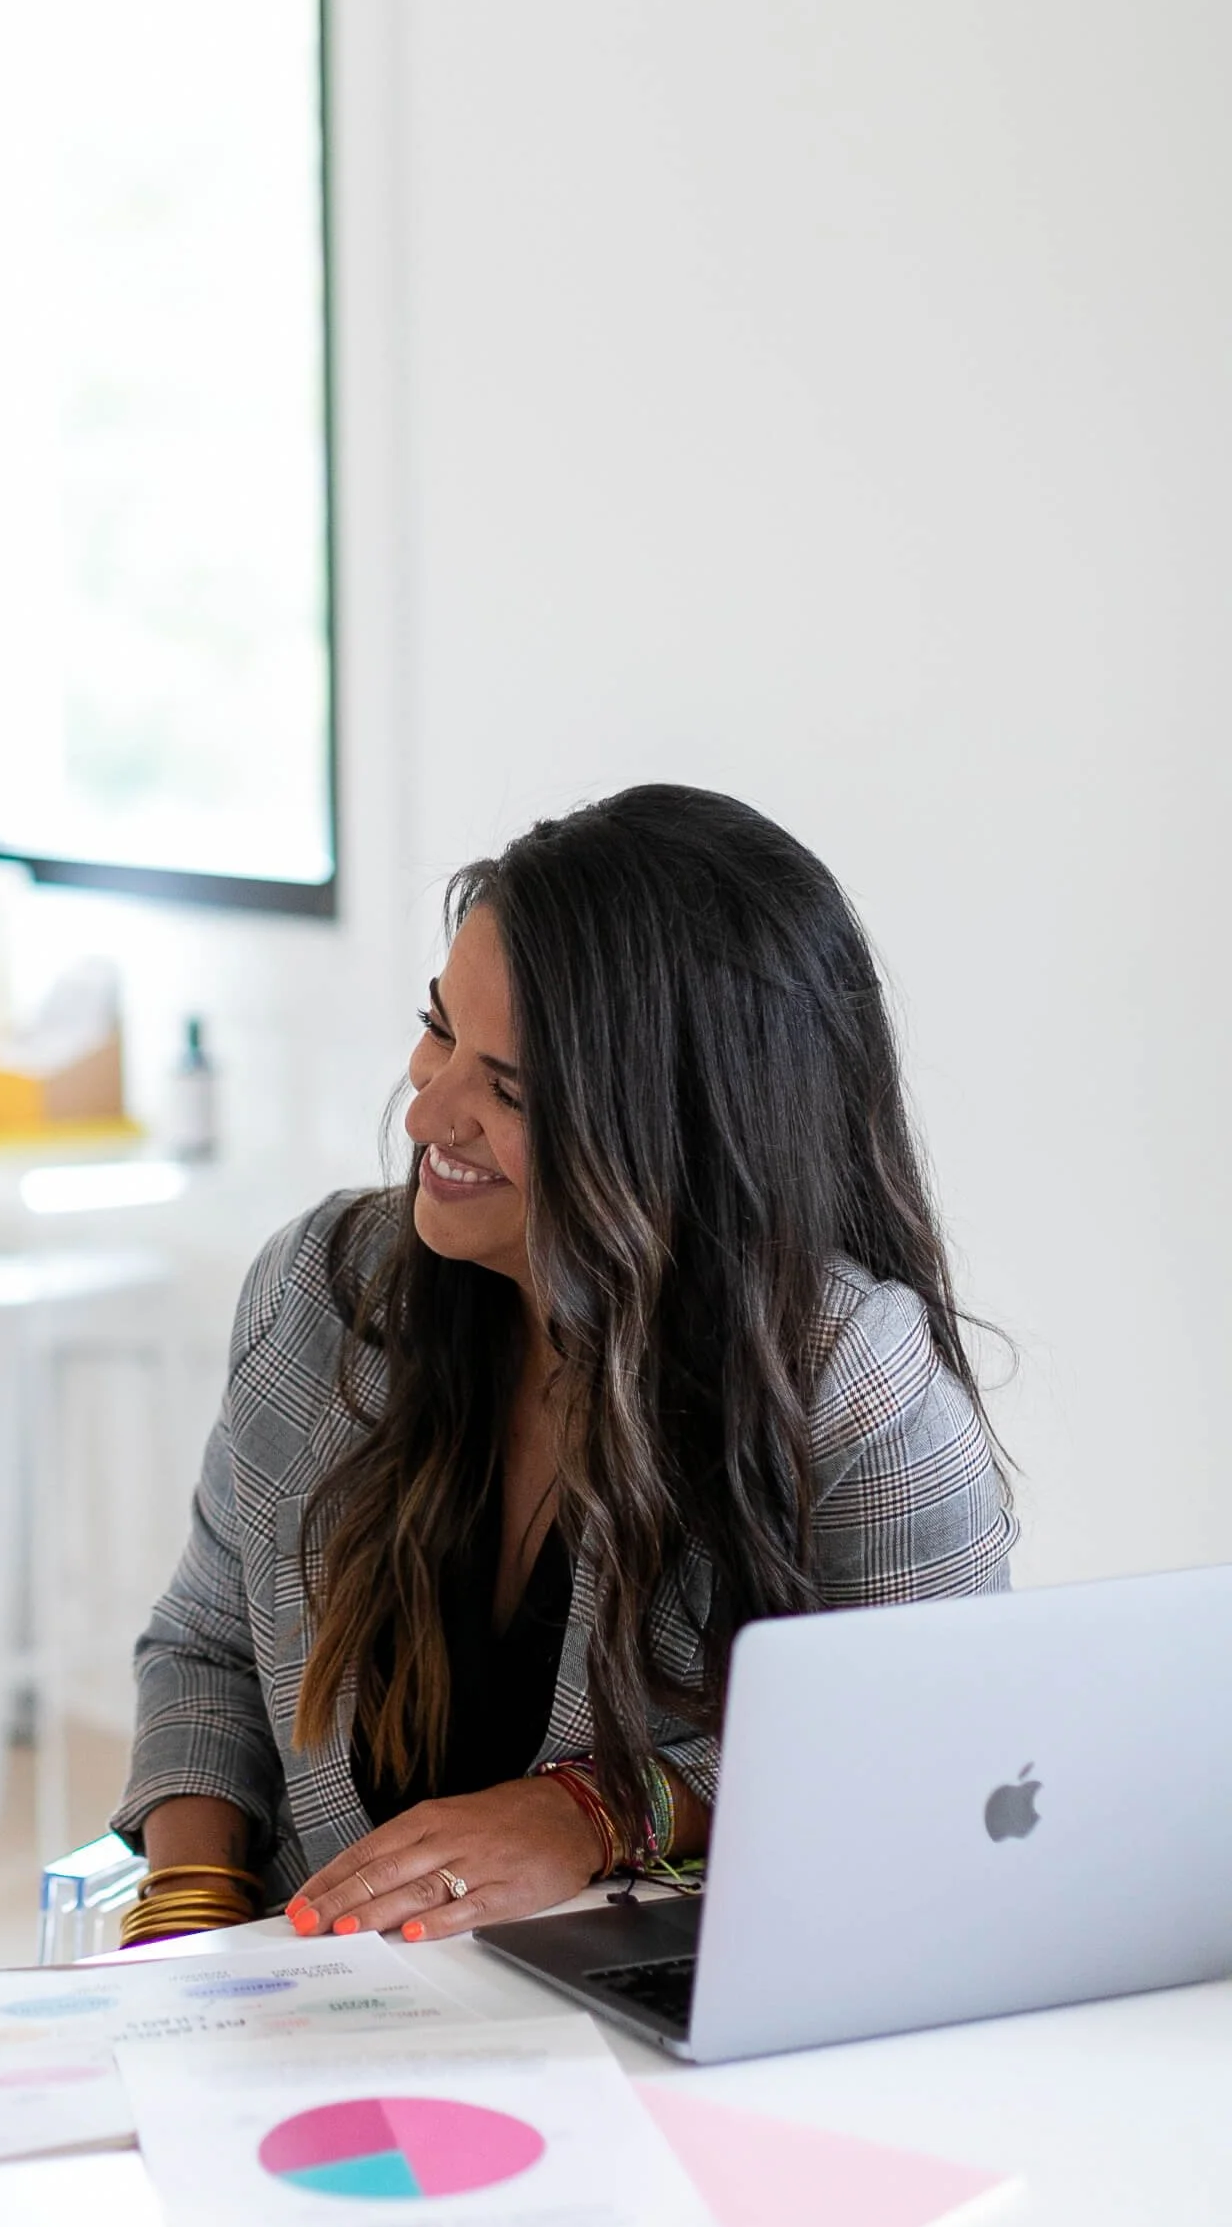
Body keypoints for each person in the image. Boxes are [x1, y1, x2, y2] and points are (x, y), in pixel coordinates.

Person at [113, 785, 1014, 1949]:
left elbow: (931, 1762)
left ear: (682, 1133)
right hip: (311, 2012)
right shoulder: (325, 1289)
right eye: (437, 1028)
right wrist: (189, 1914)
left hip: (659, 2035)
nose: (427, 1111)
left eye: (510, 1089)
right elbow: (206, 1649)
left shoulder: (849, 1387)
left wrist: (595, 1814)